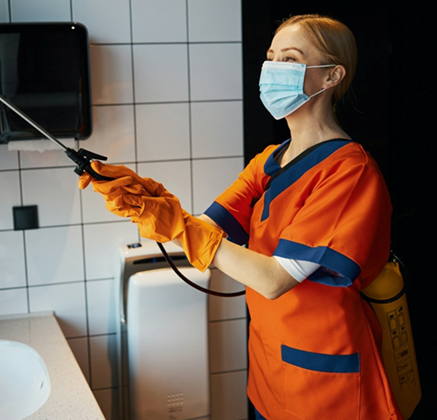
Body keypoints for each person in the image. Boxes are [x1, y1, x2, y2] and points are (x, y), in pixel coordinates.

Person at [79, 13, 402, 420]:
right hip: (271, 368)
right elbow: (206, 229)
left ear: (330, 77)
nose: (271, 70)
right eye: (271, 57)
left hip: (325, 383)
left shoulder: (349, 172)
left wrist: (177, 223)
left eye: (289, 59)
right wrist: (146, 199)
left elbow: (273, 278)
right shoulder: (270, 161)